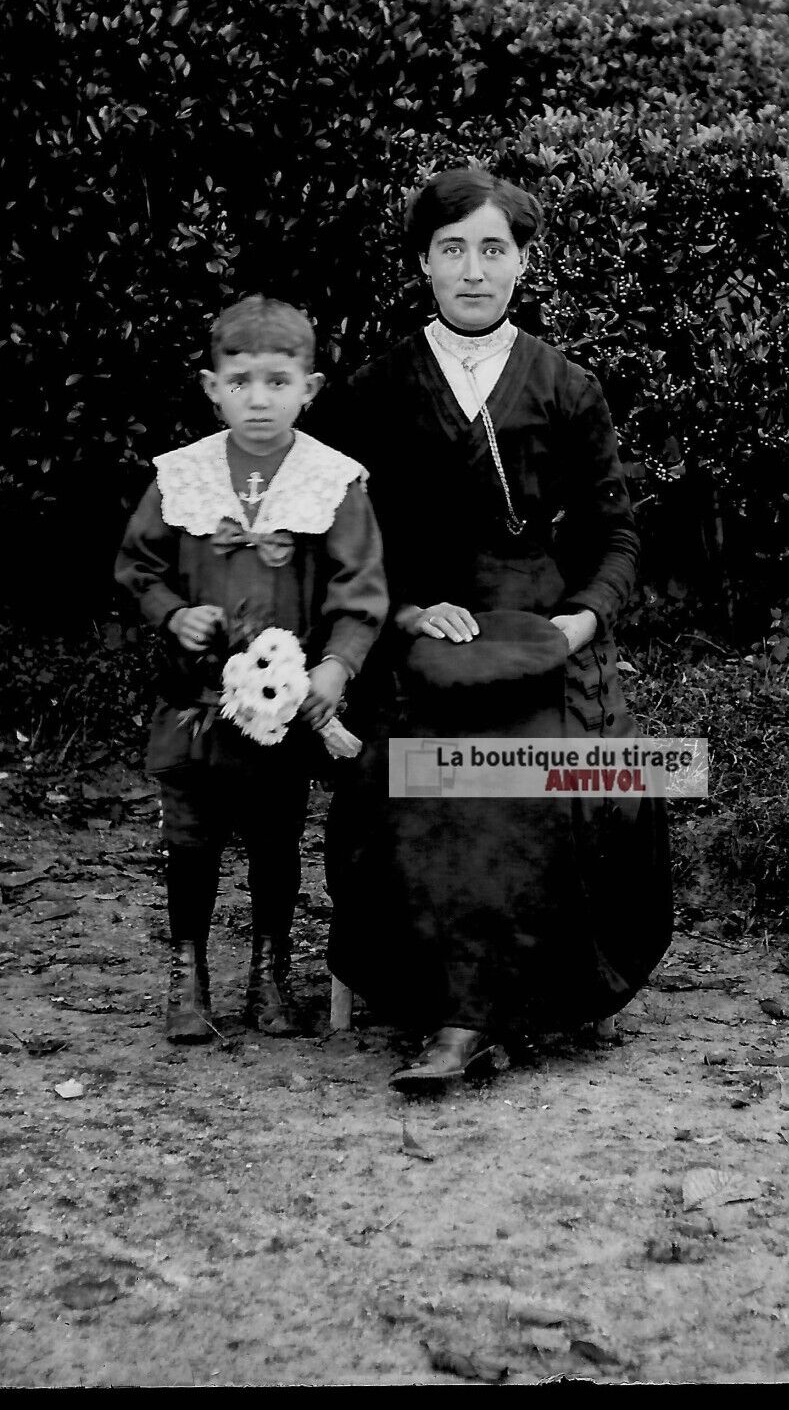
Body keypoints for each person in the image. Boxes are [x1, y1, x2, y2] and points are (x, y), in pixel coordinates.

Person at [317, 167, 672, 1090]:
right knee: (423, 786)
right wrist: (397, 612)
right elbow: (344, 539)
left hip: (544, 642)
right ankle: (460, 1012)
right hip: (418, 636)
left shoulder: (567, 385)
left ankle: (496, 1011)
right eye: (451, 250)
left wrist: (580, 624)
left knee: (537, 786)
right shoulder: (374, 387)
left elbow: (616, 534)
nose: (473, 270)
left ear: (523, 263)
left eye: (493, 249)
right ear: (422, 264)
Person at [115, 296, 388, 1044]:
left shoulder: (331, 482)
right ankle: (188, 974)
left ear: (310, 386)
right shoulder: (184, 475)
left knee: (274, 836)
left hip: (283, 704)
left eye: (277, 381)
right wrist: (175, 613)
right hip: (197, 699)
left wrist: (335, 666)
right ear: (212, 387)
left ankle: (269, 974)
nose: (258, 398)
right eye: (240, 382)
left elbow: (359, 593)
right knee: (192, 835)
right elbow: (139, 565)